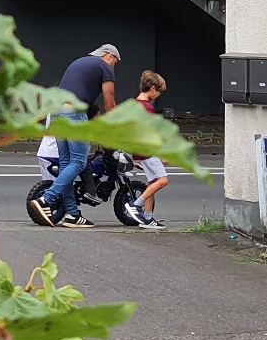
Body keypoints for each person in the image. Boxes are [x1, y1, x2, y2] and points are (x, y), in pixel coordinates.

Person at [28, 44, 120, 228]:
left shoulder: (79, 62)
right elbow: (110, 104)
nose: (114, 67)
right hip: (73, 112)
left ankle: (72, 214)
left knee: (66, 163)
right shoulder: (104, 66)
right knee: (79, 161)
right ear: (110, 56)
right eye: (115, 62)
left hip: (56, 113)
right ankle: (47, 199)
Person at [125, 70, 170, 228]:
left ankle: (148, 217)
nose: (158, 95)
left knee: (152, 182)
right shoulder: (147, 108)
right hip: (147, 151)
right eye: (159, 92)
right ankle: (136, 205)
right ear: (152, 89)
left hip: (136, 150)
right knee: (163, 180)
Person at [36, 106, 103, 204]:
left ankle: (56, 211)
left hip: (44, 150)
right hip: (56, 153)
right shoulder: (79, 111)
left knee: (51, 187)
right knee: (82, 164)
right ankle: (90, 193)